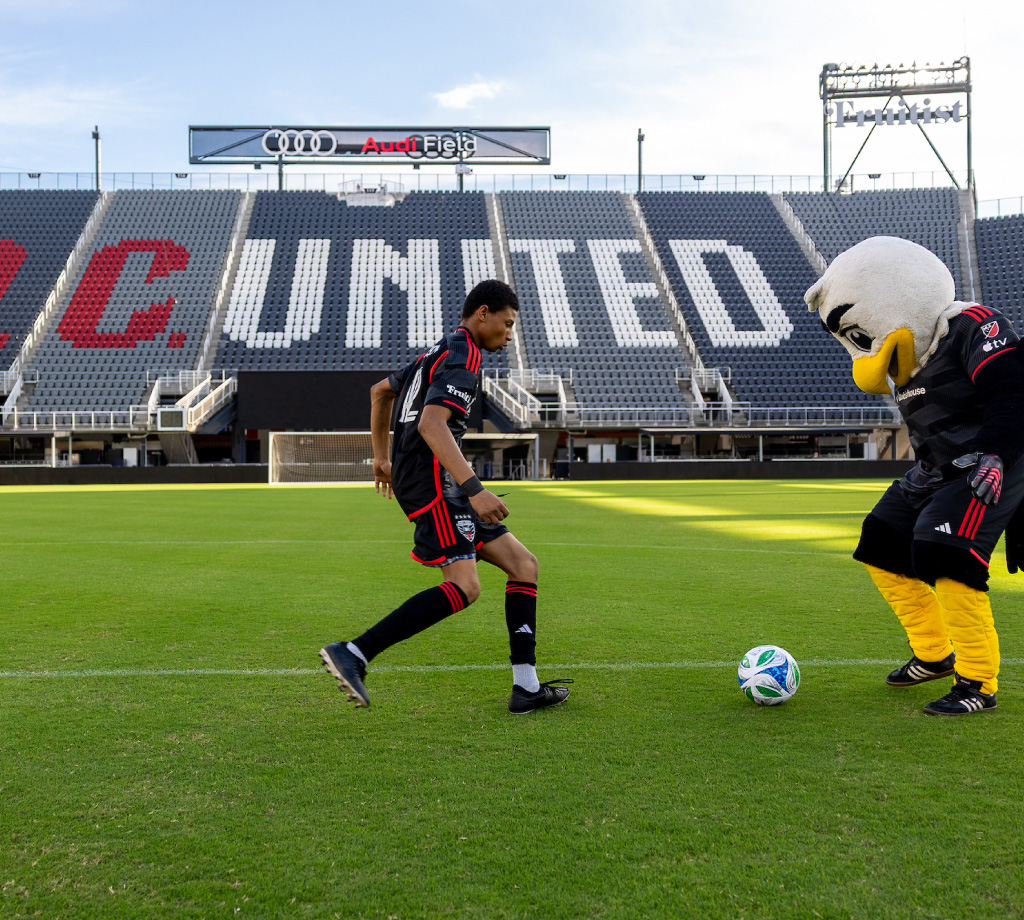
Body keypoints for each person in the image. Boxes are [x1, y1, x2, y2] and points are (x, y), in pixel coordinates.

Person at [320, 279, 571, 714]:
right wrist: (475, 489)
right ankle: (354, 652)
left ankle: (526, 687)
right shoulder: (464, 356)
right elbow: (431, 425)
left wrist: (382, 460)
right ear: (483, 313)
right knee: (465, 587)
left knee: (523, 564)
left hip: (431, 478)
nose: (509, 335)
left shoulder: (435, 352)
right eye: (507, 324)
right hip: (437, 482)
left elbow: (380, 391)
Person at [805, 236, 1024, 715]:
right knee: (880, 541)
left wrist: (997, 455)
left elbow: (1013, 390)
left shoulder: (972, 324)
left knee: (945, 551)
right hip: (933, 470)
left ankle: (978, 683)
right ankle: (933, 652)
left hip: (988, 463)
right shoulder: (908, 354)